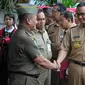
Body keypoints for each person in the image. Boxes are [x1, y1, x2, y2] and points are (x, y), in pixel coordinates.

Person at [8, 4, 58, 85]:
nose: (37, 22)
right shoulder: (25, 37)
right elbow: (41, 61)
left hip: (21, 78)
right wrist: (55, 66)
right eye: (36, 19)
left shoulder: (17, 34)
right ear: (28, 21)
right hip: (24, 80)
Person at [57, 2, 85, 85]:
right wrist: (58, 61)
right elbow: (64, 48)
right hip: (75, 68)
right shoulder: (72, 31)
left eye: (83, 14)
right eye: (78, 14)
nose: (80, 17)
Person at [47, 3, 66, 85]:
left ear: (61, 13)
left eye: (54, 11)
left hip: (65, 62)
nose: (52, 13)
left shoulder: (69, 26)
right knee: (53, 82)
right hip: (53, 61)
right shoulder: (50, 27)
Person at [33, 10, 52, 85]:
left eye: (43, 19)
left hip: (48, 68)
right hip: (38, 69)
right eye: (39, 19)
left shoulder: (45, 32)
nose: (42, 22)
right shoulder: (31, 34)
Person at [59, 10, 77, 85]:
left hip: (73, 66)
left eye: (62, 20)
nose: (60, 23)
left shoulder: (76, 32)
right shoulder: (65, 31)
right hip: (64, 64)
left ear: (69, 20)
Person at [0, 13, 16, 85]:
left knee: (12, 76)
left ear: (13, 21)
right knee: (2, 76)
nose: (8, 21)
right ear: (4, 20)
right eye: (6, 19)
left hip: (12, 57)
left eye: (10, 19)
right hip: (2, 57)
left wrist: (9, 41)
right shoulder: (1, 31)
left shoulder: (16, 32)